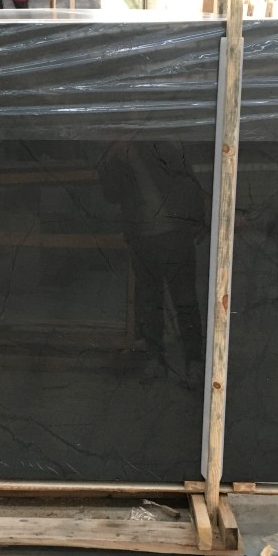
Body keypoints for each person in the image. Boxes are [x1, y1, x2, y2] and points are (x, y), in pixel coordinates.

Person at [98, 140, 208, 384]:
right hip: (143, 239)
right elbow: (111, 194)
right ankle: (156, 360)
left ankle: (194, 362)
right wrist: (115, 158)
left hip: (175, 235)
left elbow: (187, 182)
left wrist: (197, 220)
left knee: (184, 300)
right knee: (150, 301)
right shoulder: (116, 157)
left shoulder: (159, 146)